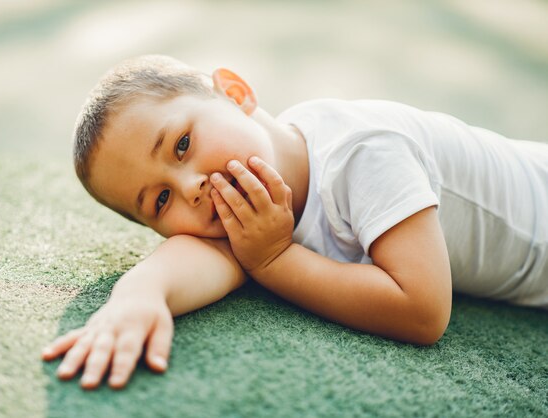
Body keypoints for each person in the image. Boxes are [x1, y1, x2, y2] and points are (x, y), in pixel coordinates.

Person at [41, 55, 548, 390]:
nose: (192, 186)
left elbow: (423, 309)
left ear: (236, 94)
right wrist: (140, 295)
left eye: (181, 145)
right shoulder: (236, 214)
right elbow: (197, 260)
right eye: (161, 201)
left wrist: (276, 260)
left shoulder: (363, 151)